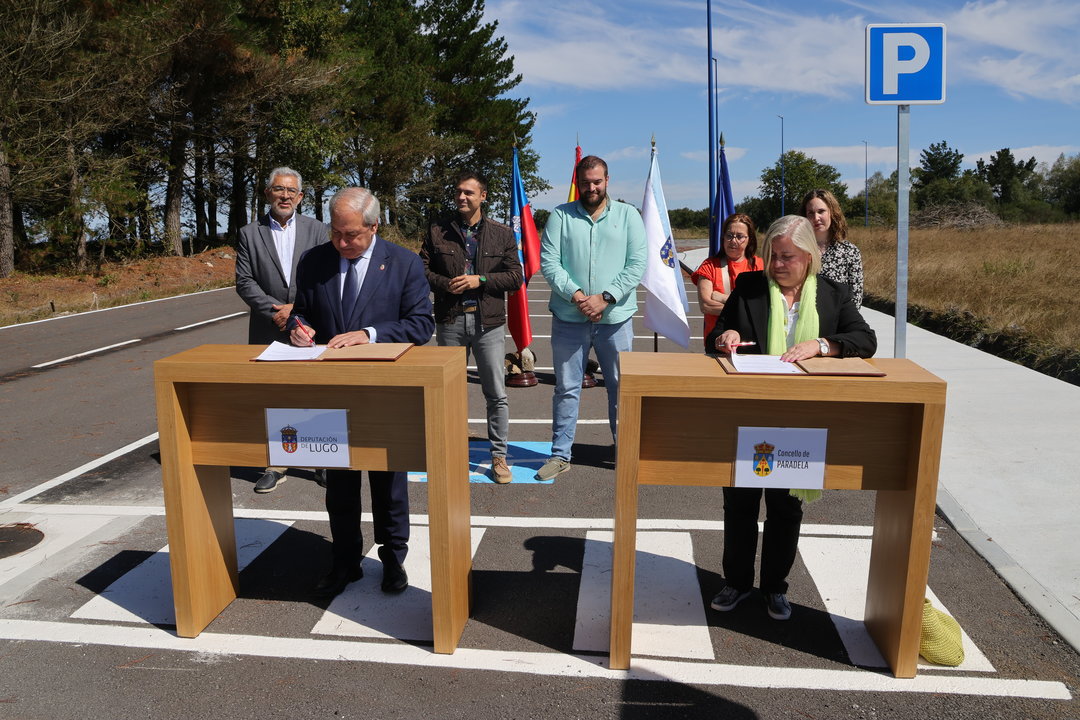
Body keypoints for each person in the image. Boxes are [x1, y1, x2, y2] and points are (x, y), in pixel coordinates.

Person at [705, 215, 876, 621]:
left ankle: (775, 588)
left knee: (786, 508)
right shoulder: (748, 288)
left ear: (810, 257)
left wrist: (821, 345)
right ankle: (737, 582)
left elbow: (864, 339)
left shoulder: (833, 295)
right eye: (773, 256)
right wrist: (723, 337)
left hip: (802, 420)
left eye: (788, 257)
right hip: (749, 413)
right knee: (741, 504)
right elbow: (720, 335)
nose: (778, 265)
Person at [289, 187, 435, 599]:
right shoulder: (314, 260)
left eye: (351, 234)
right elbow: (301, 308)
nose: (341, 242)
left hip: (383, 391)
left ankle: (392, 558)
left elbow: (421, 325)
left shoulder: (403, 263)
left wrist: (369, 335)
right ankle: (346, 560)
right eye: (336, 232)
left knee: (389, 480)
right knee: (338, 481)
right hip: (329, 391)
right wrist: (298, 328)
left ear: (374, 226)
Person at [537, 155, 646, 481]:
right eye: (586, 182)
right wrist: (579, 295)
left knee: (620, 389)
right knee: (567, 388)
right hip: (570, 316)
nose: (591, 187)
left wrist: (606, 297)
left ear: (607, 180)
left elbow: (637, 262)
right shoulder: (560, 216)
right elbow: (549, 261)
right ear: (578, 182)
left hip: (615, 319)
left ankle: (624, 452)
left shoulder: (628, 215)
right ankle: (560, 455)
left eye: (597, 181)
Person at [421, 172, 522, 484]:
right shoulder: (438, 230)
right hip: (450, 320)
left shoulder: (502, 234)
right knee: (450, 393)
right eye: (458, 192)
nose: (462, 197)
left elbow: (516, 276)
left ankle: (499, 457)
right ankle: (450, 453)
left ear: (483, 196)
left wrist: (481, 280)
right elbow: (421, 269)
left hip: (487, 324)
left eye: (468, 192)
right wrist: (444, 284)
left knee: (495, 392)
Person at [235, 166, 329, 493]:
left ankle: (323, 461)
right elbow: (244, 282)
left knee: (317, 392)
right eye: (279, 189)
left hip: (311, 326)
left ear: (300, 197)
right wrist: (276, 312)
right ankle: (277, 464)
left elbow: (326, 276)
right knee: (275, 396)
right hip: (269, 326)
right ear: (267, 194)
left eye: (291, 191)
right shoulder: (249, 233)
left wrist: (298, 308)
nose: (285, 196)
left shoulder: (318, 230)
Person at [691, 213, 762, 338]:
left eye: (740, 236)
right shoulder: (709, 266)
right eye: (729, 235)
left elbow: (762, 306)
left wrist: (722, 298)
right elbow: (706, 305)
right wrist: (745, 308)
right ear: (723, 237)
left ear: (749, 239)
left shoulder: (759, 265)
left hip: (751, 338)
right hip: (718, 339)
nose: (733, 241)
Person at [801, 188, 864, 307]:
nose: (816, 218)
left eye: (821, 211)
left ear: (832, 212)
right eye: (810, 213)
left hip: (838, 321)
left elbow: (856, 296)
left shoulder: (850, 252)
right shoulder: (798, 249)